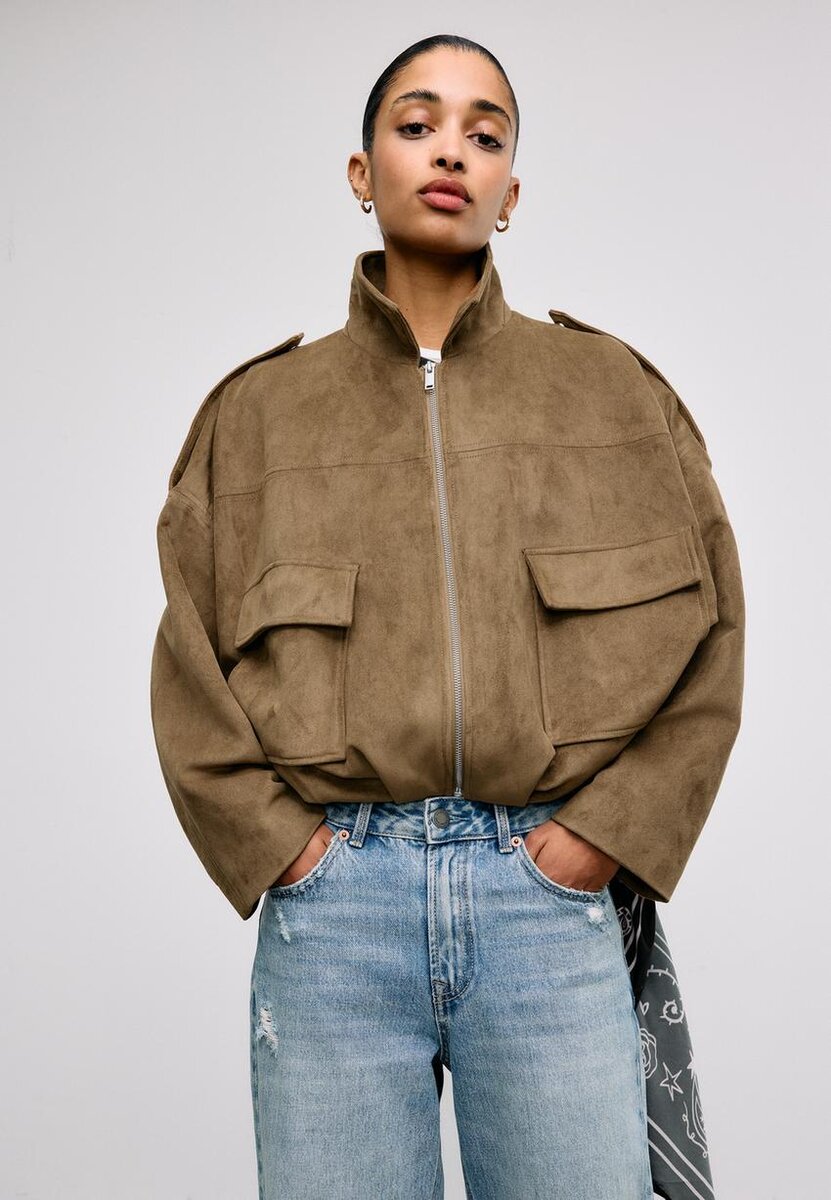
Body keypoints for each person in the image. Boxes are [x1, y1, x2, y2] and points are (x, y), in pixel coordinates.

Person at [150, 33, 745, 1200]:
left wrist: (596, 842)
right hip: (337, 920)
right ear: (362, 173)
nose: (451, 152)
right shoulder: (258, 416)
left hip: (545, 902)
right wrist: (292, 856)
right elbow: (187, 664)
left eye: (485, 134)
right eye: (417, 125)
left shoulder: (615, 397)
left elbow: (713, 638)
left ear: (510, 192)